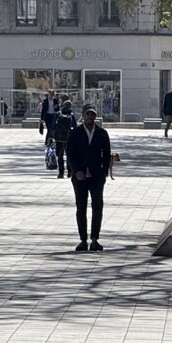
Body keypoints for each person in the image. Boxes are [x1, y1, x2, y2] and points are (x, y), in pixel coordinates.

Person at [66, 106, 111, 252]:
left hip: (96, 176)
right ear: (83, 115)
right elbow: (70, 154)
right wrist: (76, 171)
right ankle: (83, 240)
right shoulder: (75, 133)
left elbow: (107, 154)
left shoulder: (102, 133)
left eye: (93, 115)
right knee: (81, 207)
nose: (90, 117)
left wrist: (103, 172)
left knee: (97, 207)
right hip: (80, 177)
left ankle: (95, 239)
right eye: (88, 114)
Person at [52, 102, 76, 178]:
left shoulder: (58, 114)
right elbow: (75, 127)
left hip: (59, 138)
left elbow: (53, 126)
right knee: (69, 155)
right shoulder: (71, 115)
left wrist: (51, 136)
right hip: (69, 138)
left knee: (60, 155)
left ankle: (61, 172)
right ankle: (69, 172)